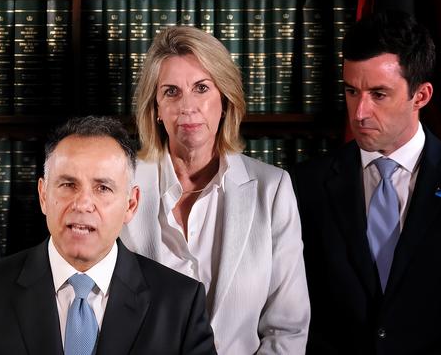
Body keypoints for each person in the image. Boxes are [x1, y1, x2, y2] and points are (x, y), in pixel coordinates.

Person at [0, 116, 217, 355]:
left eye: (103, 188)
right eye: (68, 184)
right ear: (43, 196)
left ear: (130, 204)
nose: (83, 203)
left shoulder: (180, 303)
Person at [120, 26, 310, 354]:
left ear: (224, 98)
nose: (187, 106)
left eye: (201, 88)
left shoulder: (273, 189)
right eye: (171, 92)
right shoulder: (120, 186)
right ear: (156, 109)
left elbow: (287, 329)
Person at [292, 11, 441, 354]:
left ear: (421, 96)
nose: (359, 112)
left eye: (379, 94)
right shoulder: (303, 186)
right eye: (352, 91)